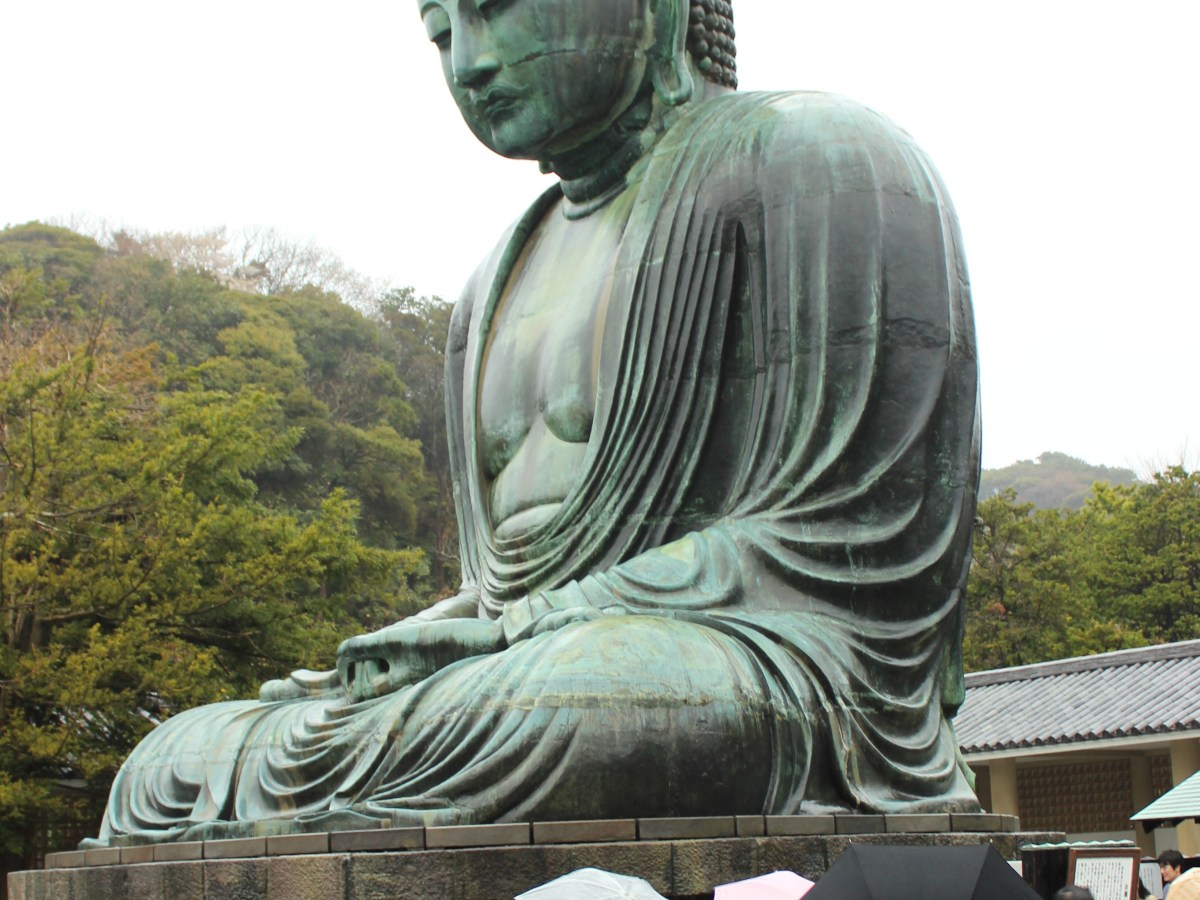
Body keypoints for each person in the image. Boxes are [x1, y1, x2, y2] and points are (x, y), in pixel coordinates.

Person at [90, 0, 981, 844]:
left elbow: (859, 547)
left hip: (757, 669)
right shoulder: (488, 289)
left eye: (498, 9)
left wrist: (527, 629)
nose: (472, 64)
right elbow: (504, 582)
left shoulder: (817, 157)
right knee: (173, 759)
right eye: (441, 34)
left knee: (592, 709)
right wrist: (419, 648)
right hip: (524, 669)